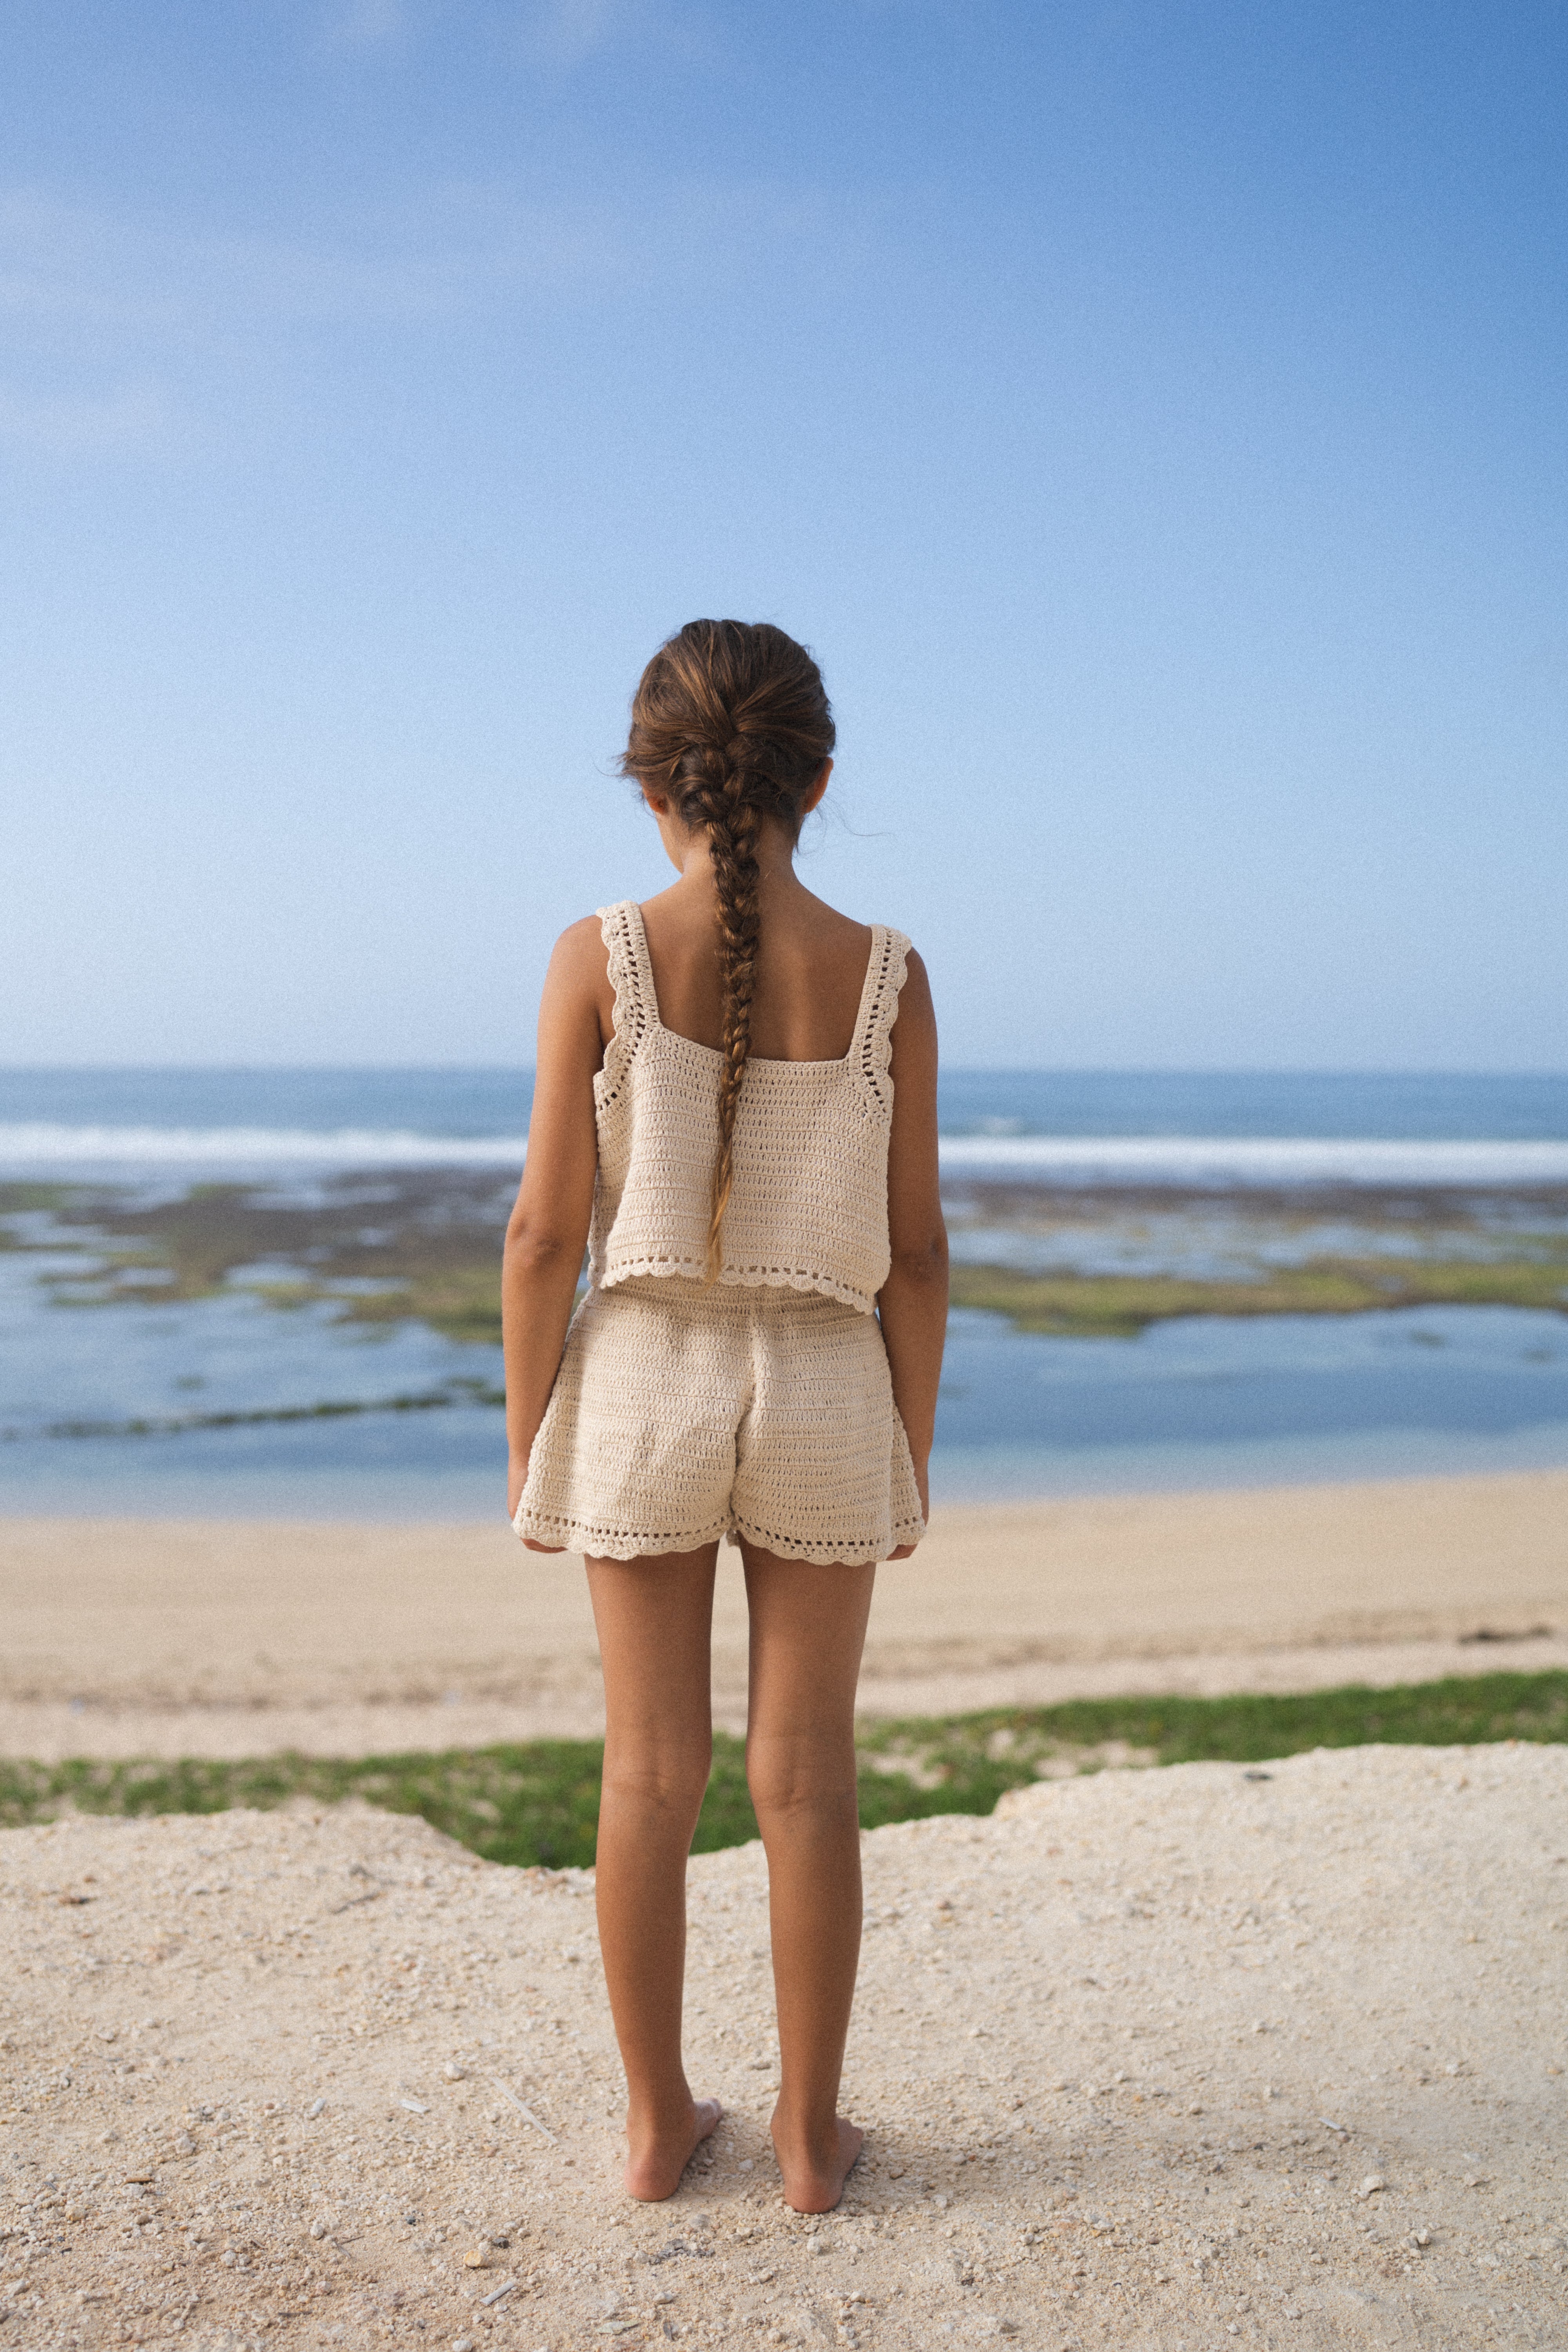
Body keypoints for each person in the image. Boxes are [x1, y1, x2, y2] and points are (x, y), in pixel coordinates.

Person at [501, 619, 947, 2214]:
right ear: (817, 781)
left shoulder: (596, 953)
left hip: (640, 1384)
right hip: (825, 1382)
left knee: (647, 1772)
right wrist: (910, 1445)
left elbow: (545, 1234)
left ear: (653, 787)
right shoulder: (890, 973)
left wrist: (527, 1440)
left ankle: (652, 2125)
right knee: (808, 1776)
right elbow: (916, 1251)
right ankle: (810, 2145)